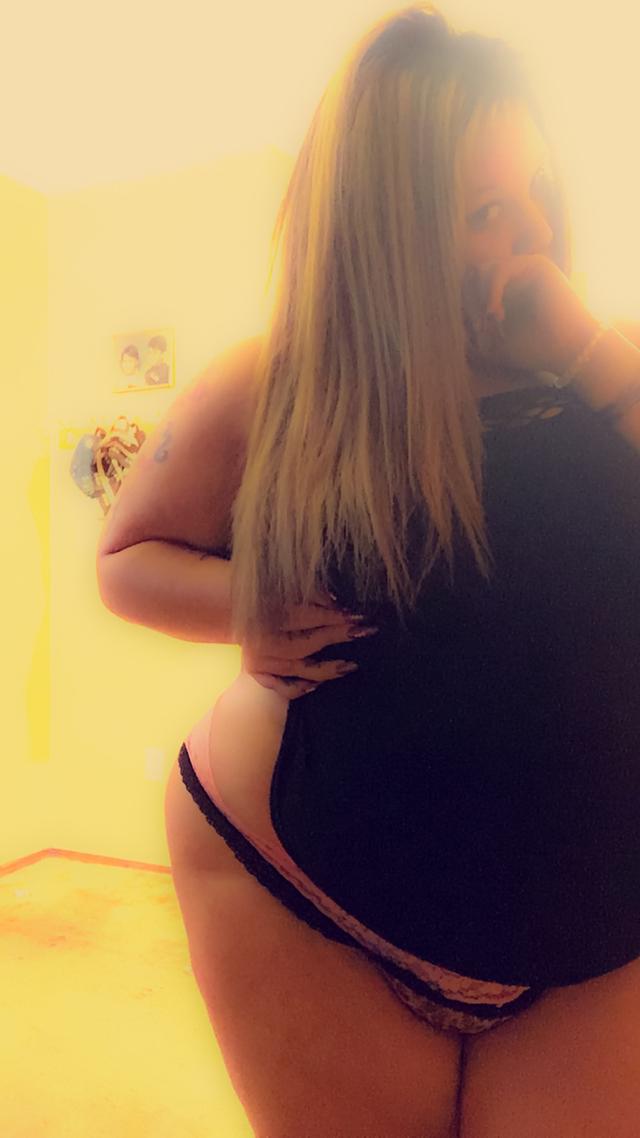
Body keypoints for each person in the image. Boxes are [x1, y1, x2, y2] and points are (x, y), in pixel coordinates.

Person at [96, 5, 640, 1136]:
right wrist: (243, 604)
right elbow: (125, 560)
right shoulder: (279, 385)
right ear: (385, 228)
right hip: (306, 892)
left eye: (535, 193)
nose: (532, 234)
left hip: (595, 930)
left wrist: (585, 347)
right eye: (483, 212)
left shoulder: (602, 373)